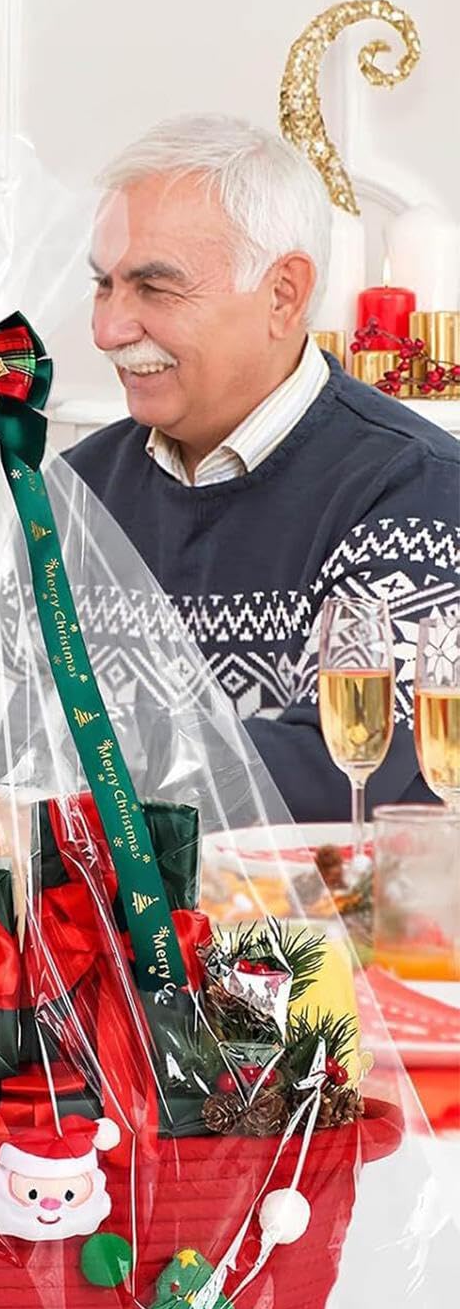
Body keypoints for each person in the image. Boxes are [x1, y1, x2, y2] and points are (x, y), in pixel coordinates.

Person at [65, 114, 460, 821]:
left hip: (326, 930)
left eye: (155, 289)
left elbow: (332, 777)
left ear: (283, 295)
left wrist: (67, 774)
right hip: (87, 925)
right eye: (105, 286)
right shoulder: (69, 494)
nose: (109, 329)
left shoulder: (417, 491)